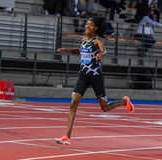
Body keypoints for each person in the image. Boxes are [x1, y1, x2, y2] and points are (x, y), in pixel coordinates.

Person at [55, 17, 134, 145]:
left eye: (91, 25)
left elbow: (103, 49)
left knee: (105, 108)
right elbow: (80, 50)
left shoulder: (97, 40)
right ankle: (67, 136)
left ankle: (124, 102)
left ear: (96, 28)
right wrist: (66, 50)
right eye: (87, 24)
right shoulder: (84, 40)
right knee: (73, 104)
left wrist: (100, 54)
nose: (88, 26)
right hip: (83, 76)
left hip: (96, 77)